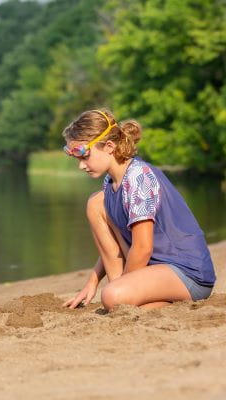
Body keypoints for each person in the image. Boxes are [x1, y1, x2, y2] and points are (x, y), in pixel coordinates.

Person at [61, 109, 216, 311]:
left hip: (187, 273)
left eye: (85, 156)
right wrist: (93, 281)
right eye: (77, 160)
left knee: (113, 296)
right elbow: (115, 241)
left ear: (109, 146)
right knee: (96, 203)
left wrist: (119, 288)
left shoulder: (139, 178)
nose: (81, 166)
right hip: (155, 270)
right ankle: (125, 297)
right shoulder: (111, 182)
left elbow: (142, 248)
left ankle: (125, 299)